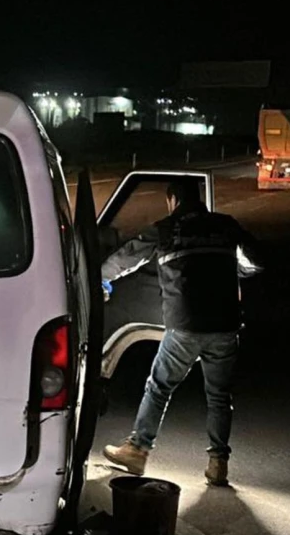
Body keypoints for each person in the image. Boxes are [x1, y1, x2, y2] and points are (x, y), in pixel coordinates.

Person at [101, 180, 262, 486]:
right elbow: (256, 261)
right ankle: (218, 464)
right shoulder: (226, 225)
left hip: (186, 326)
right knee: (219, 396)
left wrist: (98, 278)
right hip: (225, 325)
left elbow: (127, 258)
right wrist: (231, 269)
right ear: (199, 199)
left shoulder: (166, 228)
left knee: (159, 386)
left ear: (172, 200)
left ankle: (137, 450)